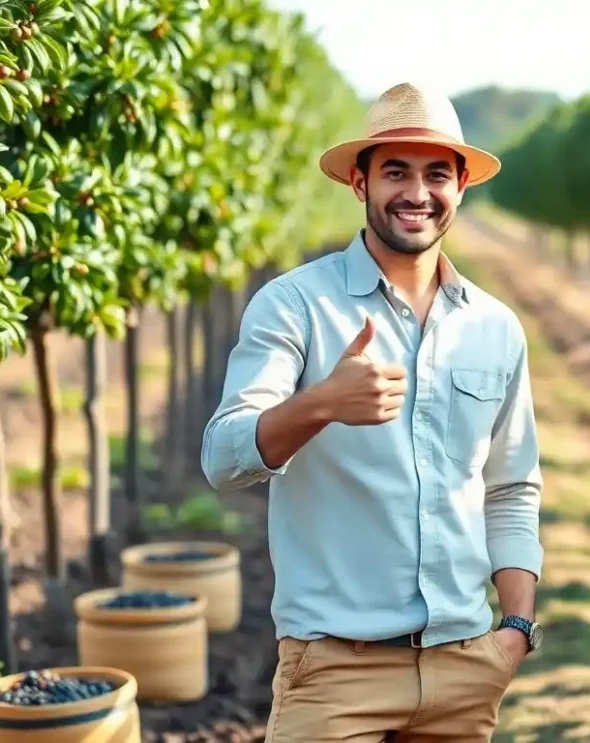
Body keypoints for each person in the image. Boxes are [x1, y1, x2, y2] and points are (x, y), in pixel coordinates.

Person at [201, 81, 545, 742]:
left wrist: (516, 630)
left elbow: (510, 487)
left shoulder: (496, 328)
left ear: (461, 185)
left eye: (436, 173)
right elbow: (223, 456)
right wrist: (323, 402)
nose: (417, 192)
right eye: (395, 172)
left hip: (463, 666)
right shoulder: (295, 306)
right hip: (334, 672)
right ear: (359, 183)